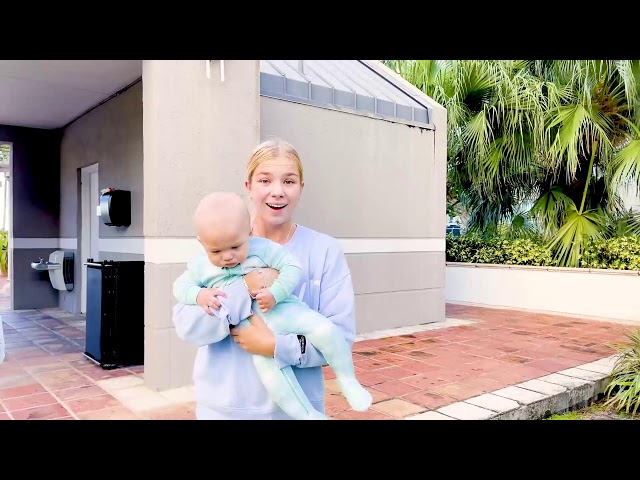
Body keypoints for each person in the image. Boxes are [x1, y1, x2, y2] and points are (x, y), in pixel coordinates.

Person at [172, 138, 360, 420]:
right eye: (265, 180)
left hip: (297, 412)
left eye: (289, 181)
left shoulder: (324, 251)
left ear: (301, 189)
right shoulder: (219, 245)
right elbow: (188, 326)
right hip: (224, 410)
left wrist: (275, 346)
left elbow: (339, 340)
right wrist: (246, 287)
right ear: (248, 186)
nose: (277, 192)